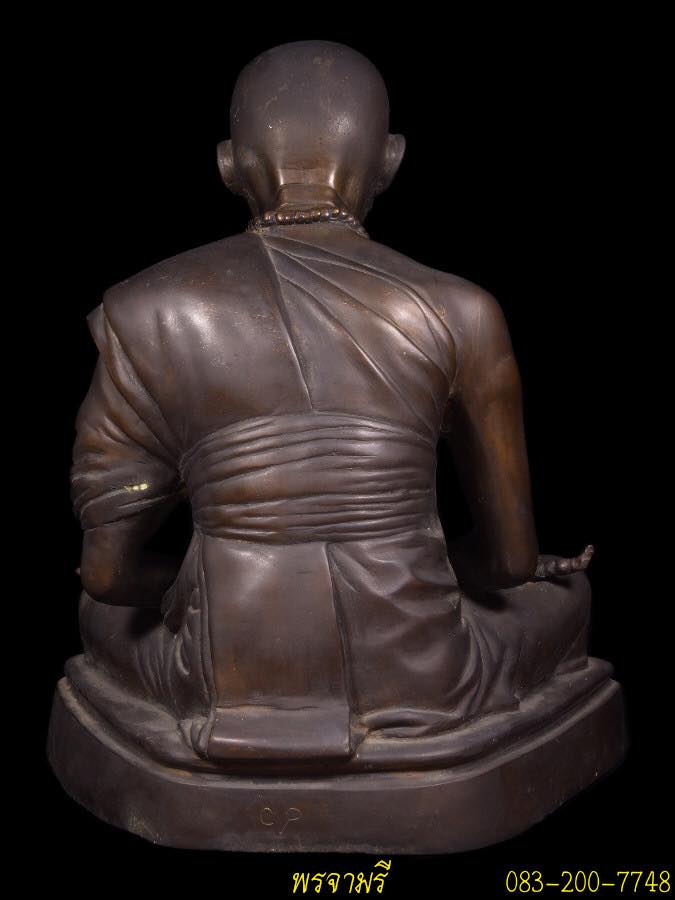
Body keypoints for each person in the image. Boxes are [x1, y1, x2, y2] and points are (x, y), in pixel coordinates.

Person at [68, 40, 599, 769]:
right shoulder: (461, 311)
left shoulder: (144, 309)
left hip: (223, 672)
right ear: (390, 160)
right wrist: (432, 565)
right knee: (566, 600)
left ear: (228, 166)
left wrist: (202, 582)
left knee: (96, 617)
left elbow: (107, 576)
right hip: (423, 673)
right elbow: (508, 562)